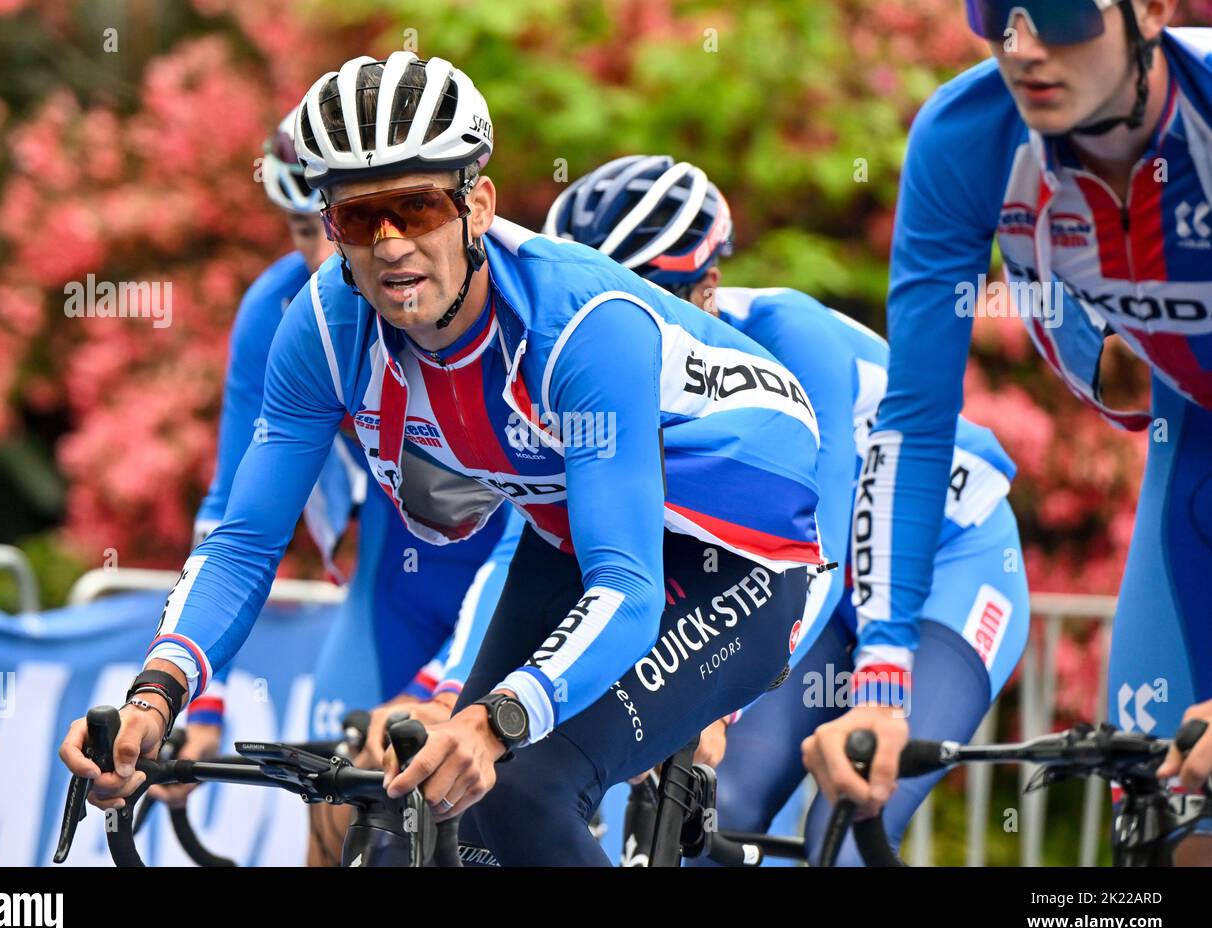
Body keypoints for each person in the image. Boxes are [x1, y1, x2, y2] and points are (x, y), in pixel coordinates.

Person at [60, 50, 825, 866]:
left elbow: (628, 587)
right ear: (330, 230)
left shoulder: (576, 324)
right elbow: (244, 544)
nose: (391, 245)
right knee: (448, 798)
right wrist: (156, 698)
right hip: (578, 526)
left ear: (478, 206)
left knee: (522, 784)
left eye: (418, 207)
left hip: (741, 549)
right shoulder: (322, 329)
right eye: (360, 219)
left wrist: (498, 719)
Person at [810, 0, 1212, 861]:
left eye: (1061, 10)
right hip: (1192, 450)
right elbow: (917, 424)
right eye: (995, 11)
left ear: (1152, 10)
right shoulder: (968, 136)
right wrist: (882, 679)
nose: (1022, 45)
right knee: (1172, 821)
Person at [544, 154, 1029, 864]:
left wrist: (711, 706)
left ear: (706, 289)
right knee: (713, 810)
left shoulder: (790, 336)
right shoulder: (584, 370)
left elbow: (819, 550)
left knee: (851, 814)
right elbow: (537, 542)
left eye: (637, 304)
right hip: (814, 596)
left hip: (945, 562)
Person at [145, 109, 508, 865]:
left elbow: (542, 524)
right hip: (394, 579)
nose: (322, 257)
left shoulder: (470, 294)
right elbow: (236, 519)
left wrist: (446, 685)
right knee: (336, 810)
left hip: (511, 573)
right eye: (314, 229)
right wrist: (196, 696)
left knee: (501, 810)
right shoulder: (289, 315)